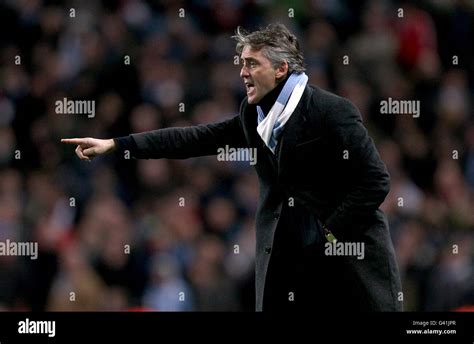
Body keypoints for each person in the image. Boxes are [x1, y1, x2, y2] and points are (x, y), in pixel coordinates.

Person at [62, 24, 402, 312]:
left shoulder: (332, 111)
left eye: (252, 64)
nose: (242, 72)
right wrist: (118, 145)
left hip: (347, 262)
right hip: (289, 265)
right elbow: (194, 139)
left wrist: (329, 231)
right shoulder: (251, 117)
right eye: (242, 64)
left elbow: (376, 181)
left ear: (280, 69)